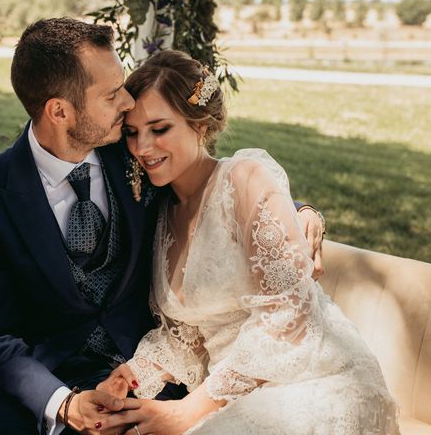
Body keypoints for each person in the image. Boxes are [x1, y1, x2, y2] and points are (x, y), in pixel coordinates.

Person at [0, 18, 325, 435]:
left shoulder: (132, 151)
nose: (128, 103)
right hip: (38, 379)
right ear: (59, 111)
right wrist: (64, 405)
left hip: (143, 366)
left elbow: (212, 184)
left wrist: (299, 211)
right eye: (112, 94)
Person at [96, 50, 399, 434]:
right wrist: (129, 377)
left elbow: (288, 318)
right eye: (133, 132)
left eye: (159, 129)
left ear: (200, 124)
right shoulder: (163, 212)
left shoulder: (244, 179)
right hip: (227, 395)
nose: (142, 148)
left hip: (311, 381)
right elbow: (189, 335)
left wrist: (190, 410)